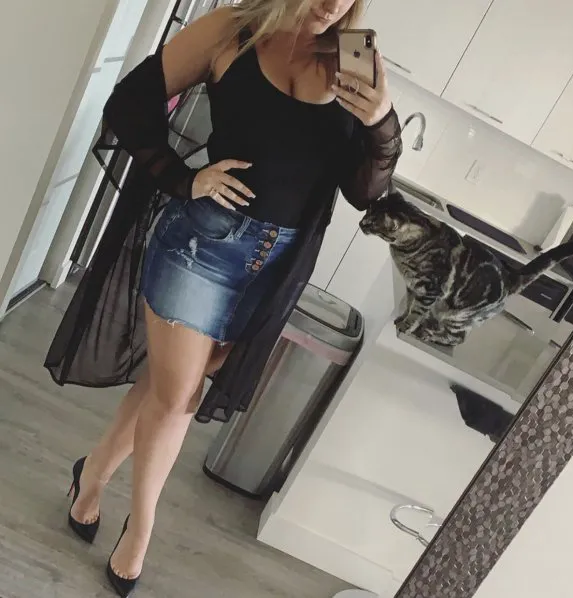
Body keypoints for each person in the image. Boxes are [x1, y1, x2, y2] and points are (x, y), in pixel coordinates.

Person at [50, 0, 402, 595]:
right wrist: (184, 178)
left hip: (276, 267)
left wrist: (381, 122)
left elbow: (363, 191)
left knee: (168, 386)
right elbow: (129, 104)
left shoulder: (352, 55)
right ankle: (140, 531)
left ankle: (92, 476)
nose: (331, 5)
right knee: (179, 399)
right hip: (202, 246)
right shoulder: (232, 29)